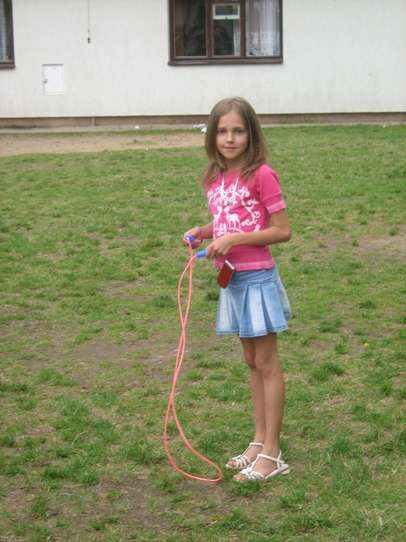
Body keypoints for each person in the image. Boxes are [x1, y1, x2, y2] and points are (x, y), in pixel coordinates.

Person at [184, 97, 292, 482]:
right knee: (251, 361)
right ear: (212, 137)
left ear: (251, 134)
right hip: (233, 280)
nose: (230, 139)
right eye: (222, 131)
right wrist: (203, 231)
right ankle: (259, 441)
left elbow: (282, 230)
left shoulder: (262, 174)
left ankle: (273, 453)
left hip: (257, 279)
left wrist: (234, 239)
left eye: (238, 131)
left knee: (267, 362)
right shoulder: (215, 178)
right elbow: (227, 219)